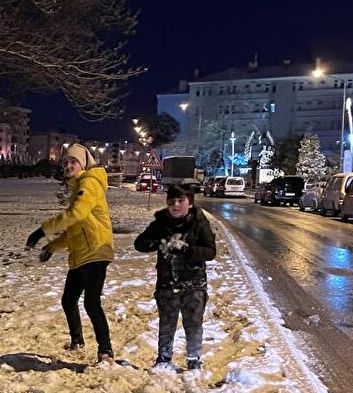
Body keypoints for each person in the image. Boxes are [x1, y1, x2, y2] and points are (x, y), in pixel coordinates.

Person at [25, 143, 115, 364]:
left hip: (95, 250)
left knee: (91, 303)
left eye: (72, 161)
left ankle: (106, 351)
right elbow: (74, 230)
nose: (67, 165)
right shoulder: (77, 189)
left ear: (82, 164)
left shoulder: (89, 183)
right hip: (81, 254)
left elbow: (76, 213)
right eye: (65, 162)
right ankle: (77, 342)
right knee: (69, 300)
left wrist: (42, 230)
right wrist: (51, 246)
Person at [134, 182, 218, 370]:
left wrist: (188, 249)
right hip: (167, 283)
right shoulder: (160, 223)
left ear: (190, 202)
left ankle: (194, 360)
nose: (176, 205)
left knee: (193, 324)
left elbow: (210, 252)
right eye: (171, 201)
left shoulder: (199, 223)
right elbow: (139, 243)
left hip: (194, 284)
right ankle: (164, 359)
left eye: (181, 200)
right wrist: (161, 243)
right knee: (166, 324)